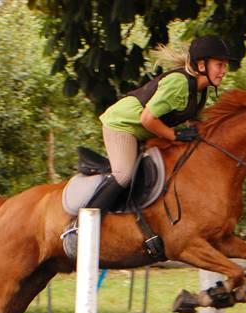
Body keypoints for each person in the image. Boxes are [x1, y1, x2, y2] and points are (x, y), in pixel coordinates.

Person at [83, 35, 233, 214]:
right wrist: (174, 135)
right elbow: (148, 119)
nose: (224, 71)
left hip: (145, 132)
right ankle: (83, 225)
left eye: (225, 65)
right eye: (220, 65)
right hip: (122, 125)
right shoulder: (179, 83)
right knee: (124, 175)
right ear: (201, 65)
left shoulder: (200, 92)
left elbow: (195, 125)